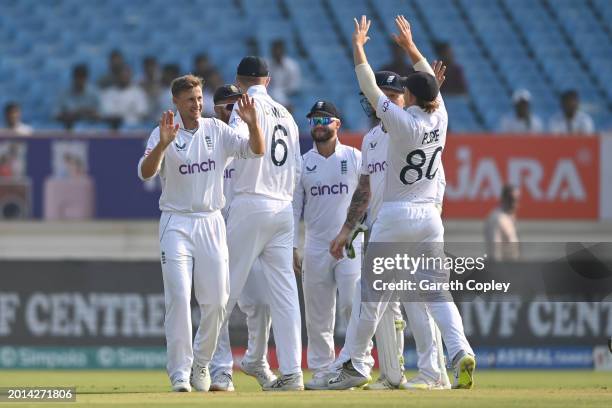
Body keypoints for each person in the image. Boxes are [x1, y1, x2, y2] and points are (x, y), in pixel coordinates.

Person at [328, 15, 475, 390]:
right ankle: (459, 351)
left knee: (371, 298)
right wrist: (412, 50)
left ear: (410, 97)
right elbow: (429, 88)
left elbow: (369, 87)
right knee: (438, 294)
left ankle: (352, 362)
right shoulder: (440, 117)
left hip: (395, 215)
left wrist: (359, 47)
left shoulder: (400, 124)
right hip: (429, 217)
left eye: (407, 90)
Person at [137, 74, 264, 392]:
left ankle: (202, 364)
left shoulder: (217, 130)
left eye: (199, 98)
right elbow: (145, 172)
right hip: (176, 222)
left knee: (218, 301)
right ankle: (179, 372)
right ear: (176, 102)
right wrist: (163, 146)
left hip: (211, 221)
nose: (197, 104)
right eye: (190, 99)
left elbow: (257, 150)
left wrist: (252, 123)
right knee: (179, 297)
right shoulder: (164, 131)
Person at [349, 70, 451, 390]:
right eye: (383, 97)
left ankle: (434, 372)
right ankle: (392, 375)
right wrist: (352, 227)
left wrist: (430, 215)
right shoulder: (371, 139)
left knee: (415, 300)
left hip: (408, 226)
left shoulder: (411, 130)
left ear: (405, 99)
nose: (387, 102)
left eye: (394, 96)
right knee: (385, 308)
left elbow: (437, 180)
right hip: (382, 228)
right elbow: (365, 189)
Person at [218, 56, 304, 391]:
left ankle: (207, 365)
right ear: (267, 80)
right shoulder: (287, 115)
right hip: (282, 208)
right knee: (285, 296)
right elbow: (295, 172)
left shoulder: (244, 106)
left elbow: (243, 146)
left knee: (225, 288)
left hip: (251, 200)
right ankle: (294, 372)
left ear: (239, 81)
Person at [209, 84, 276, 392]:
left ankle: (256, 359)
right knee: (218, 303)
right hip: (213, 236)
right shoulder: (206, 140)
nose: (233, 110)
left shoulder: (248, 140)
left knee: (262, 302)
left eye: (237, 104)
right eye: (226, 106)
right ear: (215, 109)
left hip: (246, 235)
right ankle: (220, 369)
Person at [292, 100, 362, 389]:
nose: (318, 126)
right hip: (316, 245)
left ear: (337, 124)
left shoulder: (355, 157)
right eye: (314, 121)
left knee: (351, 304)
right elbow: (295, 208)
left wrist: (355, 231)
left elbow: (366, 198)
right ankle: (321, 370)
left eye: (324, 120)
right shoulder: (302, 162)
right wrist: (294, 245)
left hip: (349, 244)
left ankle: (357, 363)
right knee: (318, 316)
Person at [55, 64, 100, 130]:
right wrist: (70, 114)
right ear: (73, 78)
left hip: (91, 129)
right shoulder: (64, 94)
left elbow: (101, 115)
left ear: (86, 78)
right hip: (69, 130)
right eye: (77, 77)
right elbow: (56, 115)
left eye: (82, 77)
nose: (79, 81)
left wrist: (88, 112)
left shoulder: (94, 93)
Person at [484, 184, 520, 261]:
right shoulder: (497, 218)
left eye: (517, 199)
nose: (514, 203)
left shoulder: (509, 217)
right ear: (504, 199)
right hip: (501, 268)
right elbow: (495, 249)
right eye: (511, 199)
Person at [268, 39, 302, 109]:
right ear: (272, 52)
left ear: (283, 51)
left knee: (277, 93)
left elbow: (295, 86)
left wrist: (282, 91)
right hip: (270, 94)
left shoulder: (292, 66)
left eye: (279, 51)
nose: (277, 53)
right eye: (275, 51)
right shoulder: (266, 65)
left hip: (288, 94)